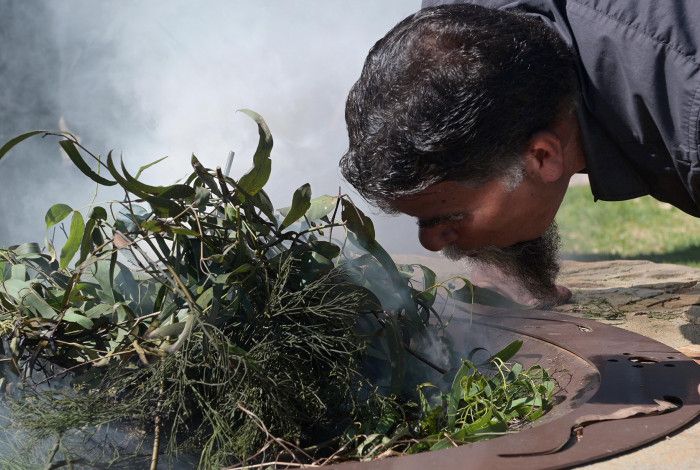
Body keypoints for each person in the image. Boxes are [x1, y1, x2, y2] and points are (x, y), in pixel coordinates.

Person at [339, 1, 700, 307]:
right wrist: (498, 255)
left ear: (542, 157)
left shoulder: (688, 108)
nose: (429, 244)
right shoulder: (464, 28)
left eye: (449, 218)